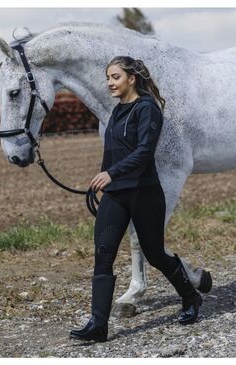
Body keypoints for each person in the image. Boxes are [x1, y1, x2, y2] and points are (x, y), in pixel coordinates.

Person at [70, 56, 204, 343]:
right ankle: (98, 324)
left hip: (144, 193)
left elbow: (144, 152)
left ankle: (191, 297)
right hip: (116, 195)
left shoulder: (148, 109)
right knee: (103, 254)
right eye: (108, 77)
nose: (109, 83)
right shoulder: (117, 111)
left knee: (154, 253)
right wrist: (102, 180)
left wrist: (111, 174)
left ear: (131, 78)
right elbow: (113, 152)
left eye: (115, 77)